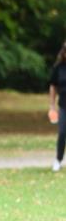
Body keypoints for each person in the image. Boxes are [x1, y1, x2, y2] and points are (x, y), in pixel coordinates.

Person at [48, 40, 66, 172]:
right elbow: (53, 87)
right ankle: (58, 159)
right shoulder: (59, 67)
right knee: (62, 133)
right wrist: (52, 106)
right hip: (63, 105)